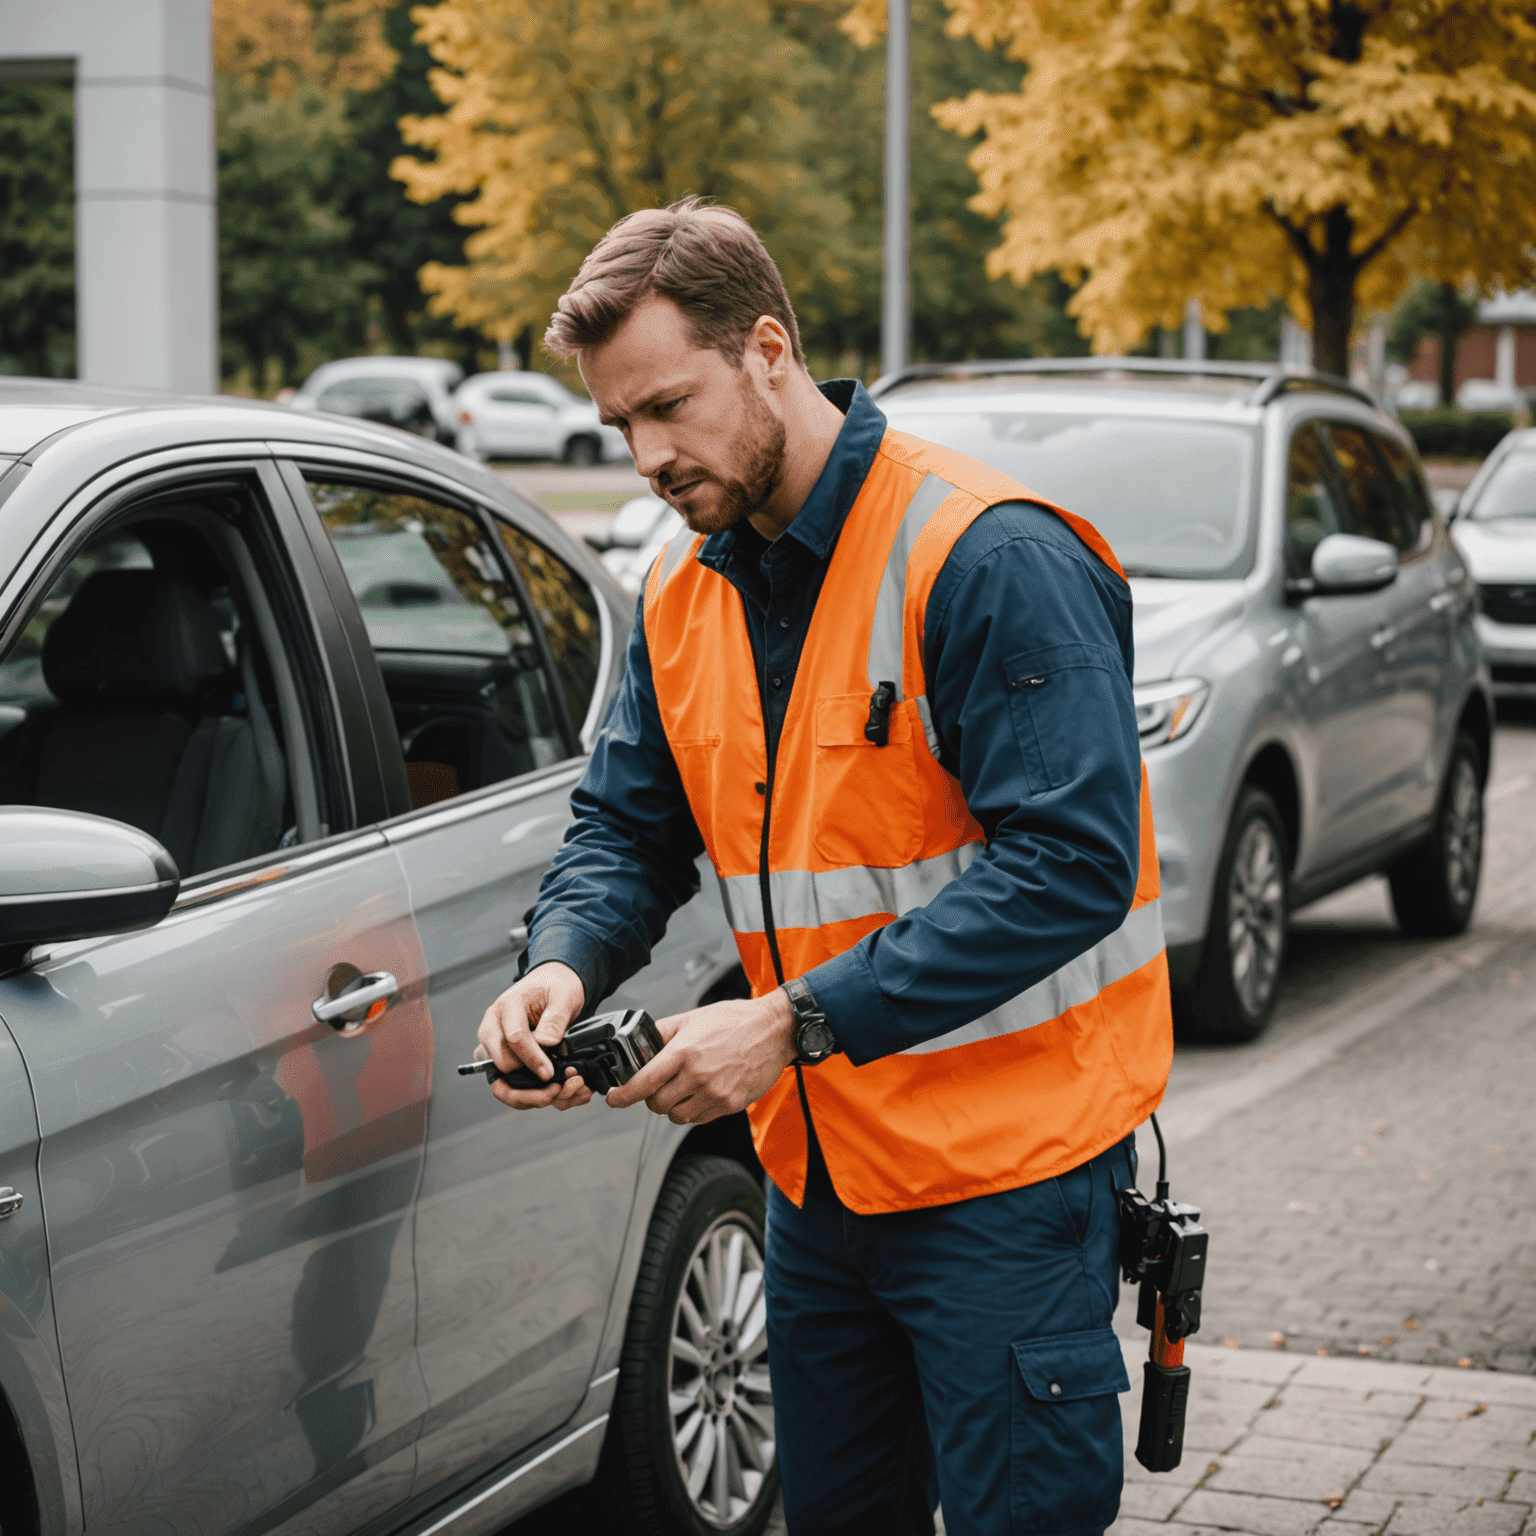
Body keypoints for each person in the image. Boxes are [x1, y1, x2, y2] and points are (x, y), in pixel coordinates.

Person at [475, 196, 1173, 1536]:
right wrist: (560, 967)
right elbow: (627, 827)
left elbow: (1072, 867)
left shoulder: (988, 553)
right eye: (620, 424)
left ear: (771, 352)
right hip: (818, 1184)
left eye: (669, 405)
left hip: (1002, 1191)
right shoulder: (684, 592)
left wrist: (787, 1024)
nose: (644, 456)